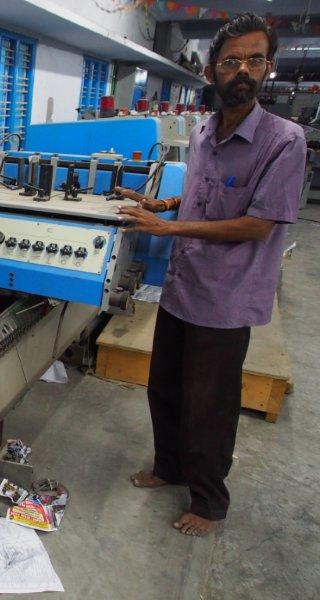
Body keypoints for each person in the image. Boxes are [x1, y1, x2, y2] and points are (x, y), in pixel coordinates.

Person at [114, 13, 306, 536]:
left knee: (210, 405)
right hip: (182, 287)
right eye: (231, 61)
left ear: (269, 67)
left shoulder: (283, 141)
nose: (242, 70)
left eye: (254, 60)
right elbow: (203, 196)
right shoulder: (201, 132)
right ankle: (169, 467)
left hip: (225, 299)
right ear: (212, 70)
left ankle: (208, 502)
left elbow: (258, 225)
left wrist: (166, 228)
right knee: (164, 388)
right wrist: (162, 203)